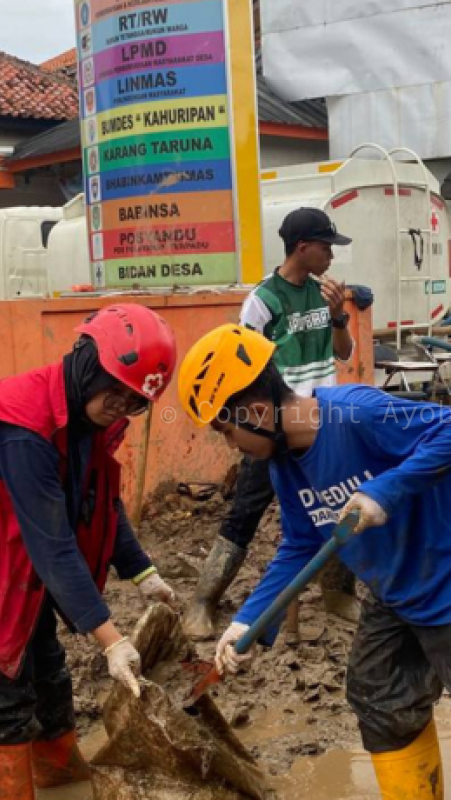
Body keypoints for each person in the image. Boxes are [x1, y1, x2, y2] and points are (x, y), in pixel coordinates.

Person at [177, 324, 451, 800]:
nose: (229, 444)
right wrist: (248, 621)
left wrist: (383, 490)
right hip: (397, 582)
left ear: (256, 411)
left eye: (226, 430)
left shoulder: (356, 414)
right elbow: (301, 543)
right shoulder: (283, 465)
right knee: (377, 693)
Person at [0, 304, 178, 800]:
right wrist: (112, 641)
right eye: (114, 391)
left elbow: (99, 502)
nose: (120, 407)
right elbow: (53, 544)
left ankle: (62, 784)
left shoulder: (85, 421)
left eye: (133, 401)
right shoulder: (20, 424)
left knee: (51, 685)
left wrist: (143, 573)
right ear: (88, 362)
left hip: (21, 575)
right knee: (3, 710)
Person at [184, 207, 358, 641]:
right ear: (303, 248)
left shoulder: (325, 294)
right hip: (272, 424)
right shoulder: (264, 300)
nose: (331, 257)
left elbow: (343, 353)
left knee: (339, 504)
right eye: (325, 248)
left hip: (321, 422)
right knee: (247, 509)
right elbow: (240, 365)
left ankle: (337, 592)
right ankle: (204, 599)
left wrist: (339, 317)